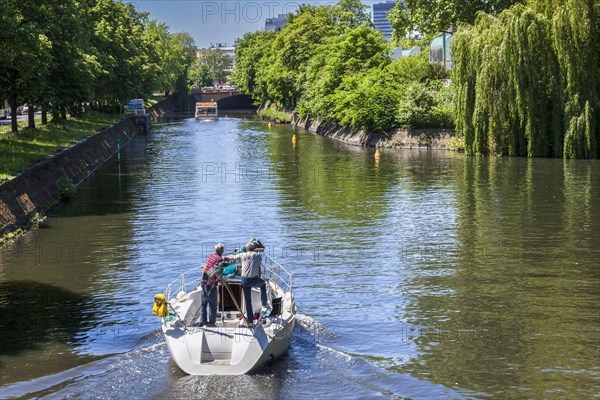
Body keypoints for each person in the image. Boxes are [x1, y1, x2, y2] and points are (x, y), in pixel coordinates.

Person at [224, 241, 270, 327]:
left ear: (246, 249)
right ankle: (264, 303)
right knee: (263, 284)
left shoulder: (242, 255)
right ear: (254, 249)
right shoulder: (257, 256)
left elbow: (232, 257)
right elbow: (259, 262)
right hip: (254, 279)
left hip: (244, 281)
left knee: (248, 301)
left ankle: (250, 321)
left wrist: (224, 257)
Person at [199, 243, 224, 327]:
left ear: (215, 250)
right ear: (222, 251)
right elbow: (218, 274)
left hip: (203, 281)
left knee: (204, 302)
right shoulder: (220, 260)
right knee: (213, 305)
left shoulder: (211, 256)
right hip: (211, 284)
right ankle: (212, 323)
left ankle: (203, 321)